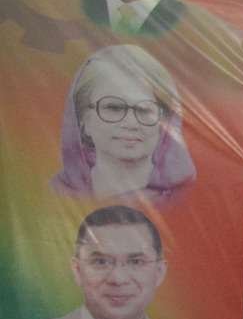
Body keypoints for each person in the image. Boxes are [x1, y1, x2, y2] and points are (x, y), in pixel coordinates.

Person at [15, 205, 192, 319]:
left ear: (159, 272)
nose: (118, 279)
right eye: (101, 262)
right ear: (77, 270)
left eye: (136, 261)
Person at [50, 45, 196, 202]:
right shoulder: (54, 197)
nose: (131, 123)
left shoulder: (190, 199)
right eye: (114, 108)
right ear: (83, 120)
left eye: (144, 110)